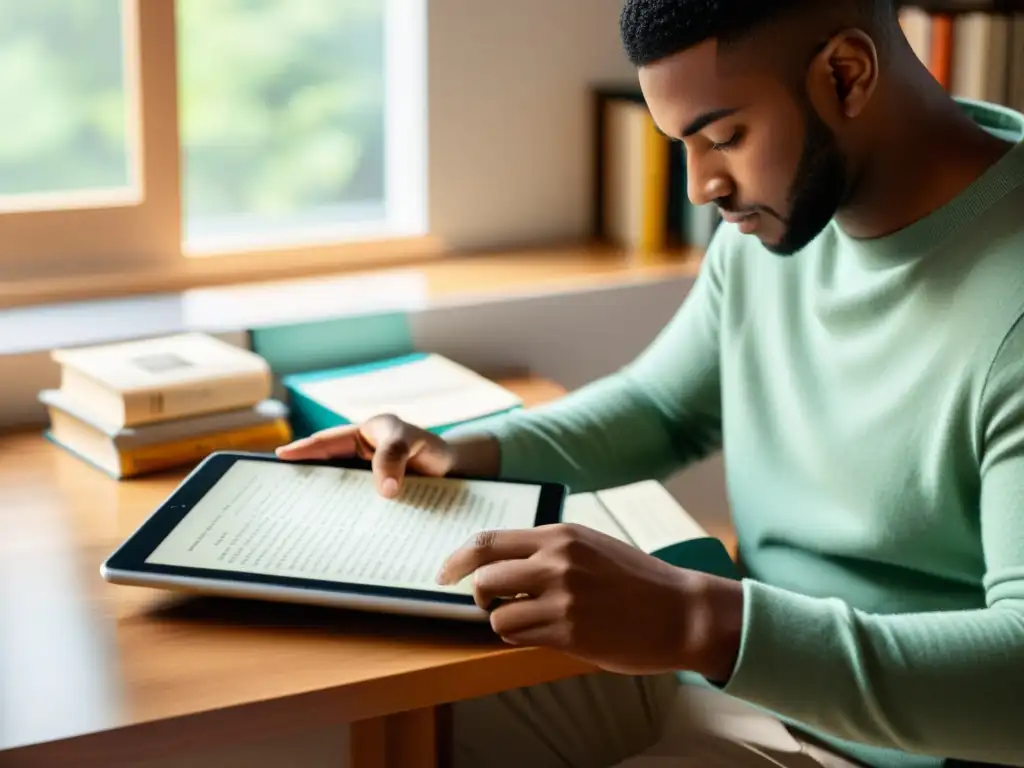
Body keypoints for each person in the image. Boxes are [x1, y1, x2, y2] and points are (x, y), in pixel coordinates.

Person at [277, 0, 1024, 765]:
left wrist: (695, 622)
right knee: (419, 699)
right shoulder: (785, 219)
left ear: (846, 74)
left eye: (725, 136)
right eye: (683, 145)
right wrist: (460, 456)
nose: (701, 186)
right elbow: (663, 409)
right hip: (740, 686)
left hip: (892, 748)